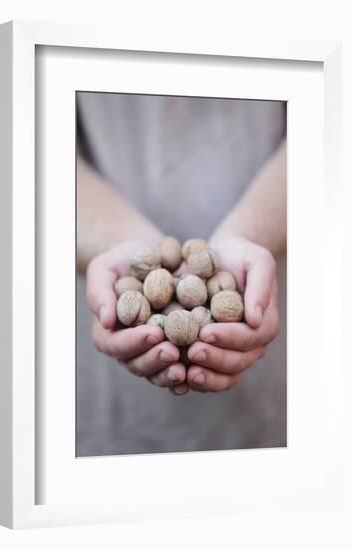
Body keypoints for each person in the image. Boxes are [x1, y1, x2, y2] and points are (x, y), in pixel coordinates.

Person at [76, 92, 287, 456]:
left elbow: (331, 124)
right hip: (106, 397)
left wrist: (251, 234)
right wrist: (120, 239)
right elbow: (28, 148)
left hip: (264, 303)